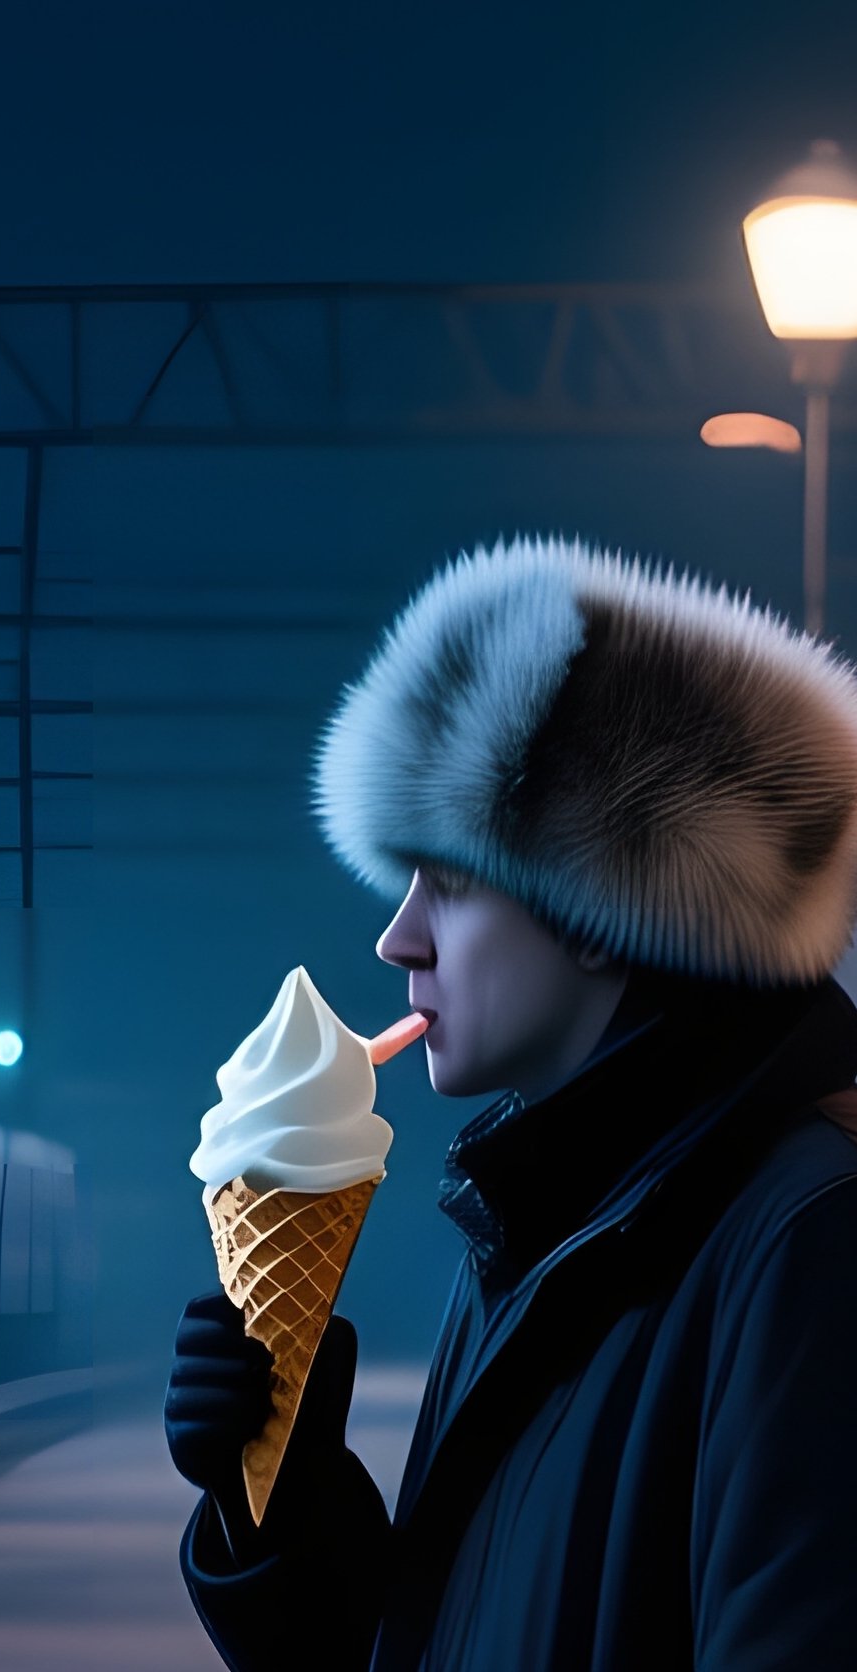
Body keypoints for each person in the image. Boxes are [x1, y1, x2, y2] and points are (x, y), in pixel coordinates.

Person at [164, 535, 857, 1672]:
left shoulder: (806, 1238)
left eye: (450, 881)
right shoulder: (545, 1222)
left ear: (592, 901)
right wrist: (278, 1506)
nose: (401, 939)